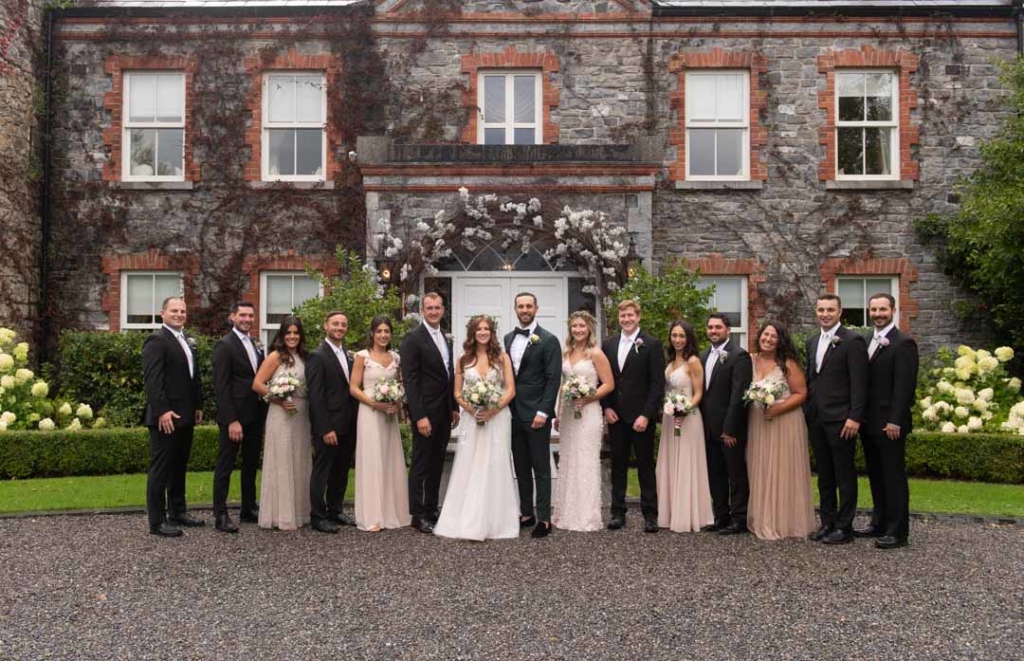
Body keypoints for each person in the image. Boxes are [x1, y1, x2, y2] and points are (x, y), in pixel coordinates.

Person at [434, 315, 519, 541]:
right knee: (470, 464)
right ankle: (467, 519)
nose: (482, 332)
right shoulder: (463, 358)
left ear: (492, 333)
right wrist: (470, 409)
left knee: (495, 463)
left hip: (498, 417)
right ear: (472, 332)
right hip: (473, 418)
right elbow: (457, 393)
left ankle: (496, 521)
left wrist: (494, 409)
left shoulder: (502, 358)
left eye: (486, 329)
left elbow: (510, 390)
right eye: (478, 329)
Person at [804, 294, 868, 545]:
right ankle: (827, 522)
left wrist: (855, 416)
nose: (825, 314)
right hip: (817, 418)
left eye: (830, 309)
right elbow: (813, 379)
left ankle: (845, 527)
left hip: (842, 419)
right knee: (825, 474)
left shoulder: (853, 341)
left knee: (844, 474)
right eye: (821, 309)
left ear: (840, 312)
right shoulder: (812, 341)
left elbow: (860, 383)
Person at [858, 293, 918, 549]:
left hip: (890, 424)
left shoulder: (903, 343)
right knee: (876, 474)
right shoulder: (866, 340)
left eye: (883, 309)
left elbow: (905, 388)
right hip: (869, 423)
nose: (878, 314)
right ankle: (879, 522)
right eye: (873, 309)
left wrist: (895, 421)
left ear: (893, 310)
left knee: (893, 476)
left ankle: (898, 531)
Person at [746, 321, 815, 541]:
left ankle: (785, 521)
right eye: (765, 334)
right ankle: (763, 518)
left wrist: (777, 409)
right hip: (758, 422)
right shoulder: (750, 360)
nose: (768, 339)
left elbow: (801, 392)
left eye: (773, 336)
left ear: (780, 340)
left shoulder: (787, 364)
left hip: (784, 421)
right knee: (761, 467)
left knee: (783, 469)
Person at [601, 299, 665, 533]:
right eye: (623, 316)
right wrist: (606, 408)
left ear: (638, 317)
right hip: (616, 416)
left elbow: (657, 384)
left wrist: (647, 415)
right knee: (617, 464)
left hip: (640, 418)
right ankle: (618, 512)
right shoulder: (608, 344)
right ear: (618, 318)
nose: (627, 319)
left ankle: (650, 514)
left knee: (645, 465)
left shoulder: (651, 344)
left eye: (630, 315)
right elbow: (603, 380)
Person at [142, 295, 203, 537]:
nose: (179, 314)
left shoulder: (186, 340)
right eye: (174, 311)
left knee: (179, 466)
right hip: (166, 416)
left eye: (182, 311)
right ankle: (157, 521)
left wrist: (198, 404)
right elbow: (153, 381)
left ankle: (178, 511)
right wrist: (162, 411)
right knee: (161, 468)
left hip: (186, 414)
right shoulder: (156, 341)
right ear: (163, 314)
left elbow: (192, 376)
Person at [504, 292, 561, 539]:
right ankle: (526, 513)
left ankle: (544, 518)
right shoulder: (507, 338)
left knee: (541, 467)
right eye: (520, 306)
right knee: (521, 465)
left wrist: (543, 411)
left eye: (529, 306)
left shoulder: (549, 340)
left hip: (537, 413)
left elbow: (553, 379)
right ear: (515, 309)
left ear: (536, 308)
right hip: (512, 413)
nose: (525, 309)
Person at [400, 292, 459, 534]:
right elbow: (410, 381)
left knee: (437, 462)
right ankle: (417, 514)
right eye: (429, 308)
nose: (434, 311)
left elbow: (448, 374)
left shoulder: (446, 339)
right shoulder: (412, 339)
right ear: (423, 311)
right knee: (421, 464)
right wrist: (419, 415)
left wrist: (454, 407)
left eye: (437, 307)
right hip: (425, 413)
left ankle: (432, 507)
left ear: (443, 310)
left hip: (444, 411)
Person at [552, 311, 614, 532]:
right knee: (569, 459)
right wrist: (559, 412)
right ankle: (565, 514)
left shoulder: (595, 353)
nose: (578, 330)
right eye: (574, 326)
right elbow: (564, 385)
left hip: (588, 413)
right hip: (569, 414)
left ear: (589, 329)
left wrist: (588, 397)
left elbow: (608, 384)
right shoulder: (566, 352)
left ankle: (587, 516)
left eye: (582, 326)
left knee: (586, 460)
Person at [349, 316, 411, 532]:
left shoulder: (396, 357)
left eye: (387, 331)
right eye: (379, 331)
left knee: (390, 459)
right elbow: (354, 388)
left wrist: (397, 402)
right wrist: (375, 404)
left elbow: (401, 385)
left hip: (389, 417)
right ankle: (372, 516)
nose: (383, 335)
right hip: (370, 414)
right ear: (372, 333)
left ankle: (391, 512)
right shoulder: (362, 357)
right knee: (373, 460)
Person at [211, 301, 267, 533]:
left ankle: (247, 508)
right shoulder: (225, 346)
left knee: (251, 463)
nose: (247, 319)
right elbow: (221, 386)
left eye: (251, 315)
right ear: (233, 317)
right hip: (235, 417)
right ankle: (220, 514)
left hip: (255, 414)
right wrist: (231, 419)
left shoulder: (255, 344)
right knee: (225, 465)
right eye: (242, 315)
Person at [252, 316, 312, 531]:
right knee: (283, 459)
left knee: (299, 459)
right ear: (282, 335)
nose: (292, 336)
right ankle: (280, 514)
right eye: (288, 333)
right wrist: (277, 398)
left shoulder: (305, 357)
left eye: (296, 333)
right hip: (280, 414)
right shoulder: (276, 356)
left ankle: (299, 512)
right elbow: (257, 384)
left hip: (301, 415)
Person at [656, 320, 713, 533]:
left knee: (687, 461)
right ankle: (671, 512)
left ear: (688, 338)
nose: (677, 340)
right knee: (671, 461)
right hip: (672, 418)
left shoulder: (693, 361)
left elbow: (699, 392)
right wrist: (671, 411)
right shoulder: (671, 361)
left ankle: (689, 514)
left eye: (681, 336)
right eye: (674, 335)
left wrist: (685, 409)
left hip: (689, 418)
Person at [698, 313, 753, 535]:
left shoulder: (739, 356)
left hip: (730, 429)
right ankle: (721, 516)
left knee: (736, 474)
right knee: (715, 474)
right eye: (710, 327)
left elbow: (738, 395)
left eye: (718, 327)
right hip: (707, 427)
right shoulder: (702, 356)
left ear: (728, 330)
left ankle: (739, 519)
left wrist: (730, 429)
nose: (713, 331)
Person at [306, 310, 359, 534]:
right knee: (323, 471)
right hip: (328, 426)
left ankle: (335, 509)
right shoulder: (318, 355)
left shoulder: (348, 355)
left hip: (348, 423)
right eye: (335, 324)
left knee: (341, 470)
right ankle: (318, 516)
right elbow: (316, 396)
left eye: (343, 324)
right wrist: (325, 427)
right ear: (325, 325)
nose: (339, 328)